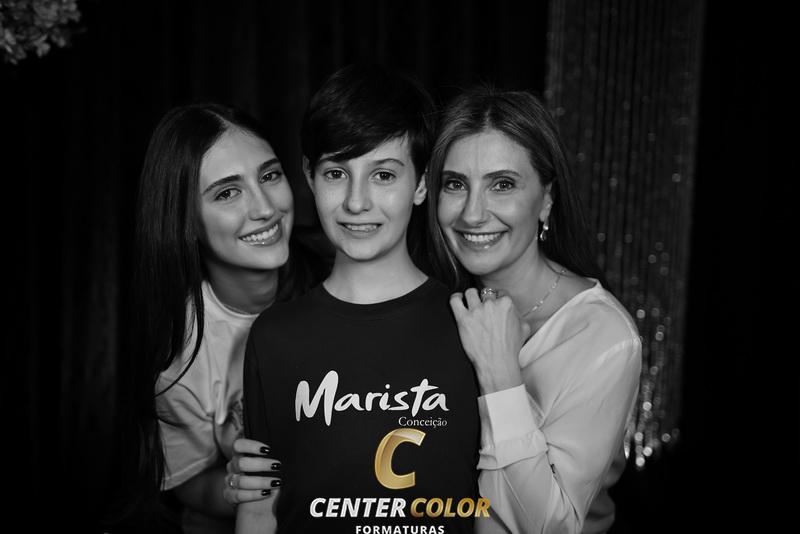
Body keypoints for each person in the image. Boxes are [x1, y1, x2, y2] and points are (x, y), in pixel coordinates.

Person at [236, 65, 481, 533]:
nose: (355, 202)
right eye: (336, 173)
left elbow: (496, 503)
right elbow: (259, 506)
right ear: (309, 177)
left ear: (422, 184)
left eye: (383, 175)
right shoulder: (274, 338)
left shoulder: (472, 325)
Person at [426, 87, 642, 534]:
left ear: (546, 200)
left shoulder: (604, 337)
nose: (472, 213)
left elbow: (549, 526)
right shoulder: (431, 303)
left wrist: (501, 376)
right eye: (455, 184)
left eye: (502, 184)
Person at [131, 103, 317, 534]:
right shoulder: (180, 353)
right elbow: (188, 482)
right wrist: (237, 487)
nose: (264, 208)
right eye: (227, 193)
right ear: (186, 221)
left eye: (269, 176)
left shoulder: (342, 275)